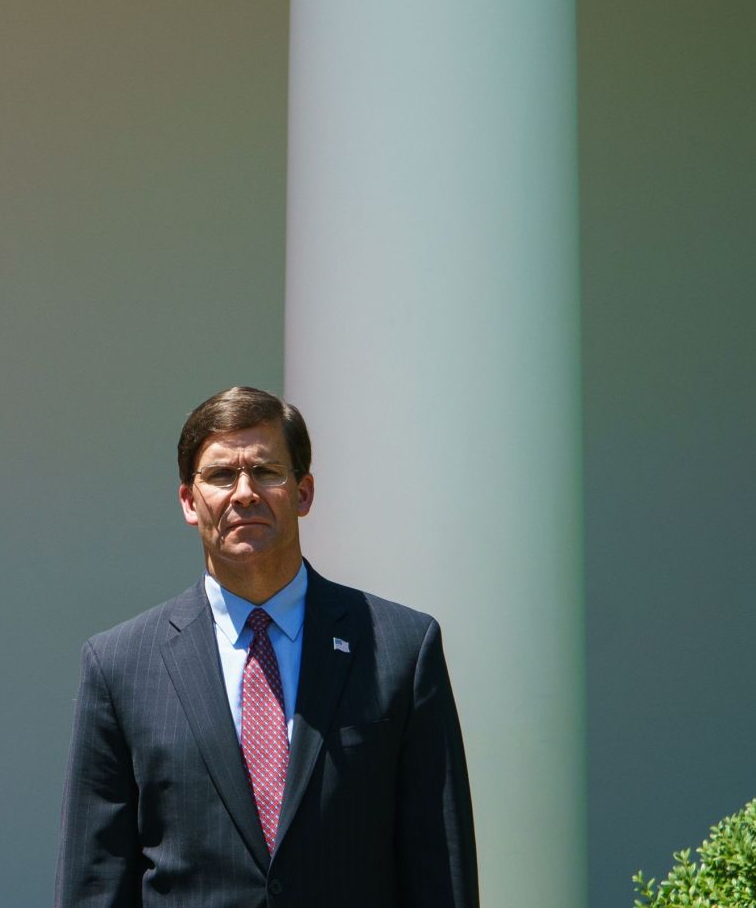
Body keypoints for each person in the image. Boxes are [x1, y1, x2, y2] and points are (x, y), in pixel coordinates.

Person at [56, 386, 478, 908]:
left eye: (266, 471)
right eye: (219, 476)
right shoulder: (120, 665)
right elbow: (96, 879)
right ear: (190, 501)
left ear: (303, 493)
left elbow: (440, 866)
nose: (244, 492)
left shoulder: (400, 647)